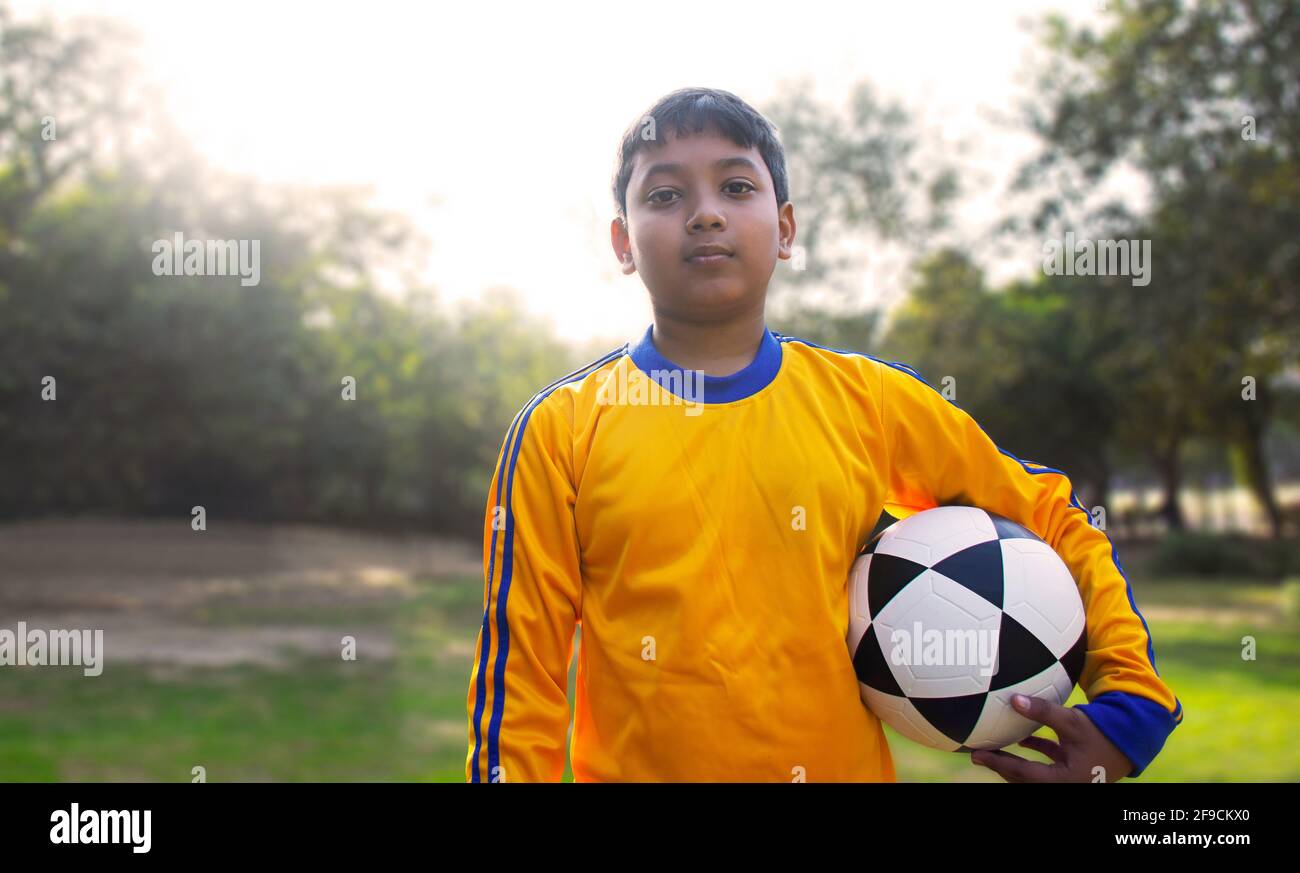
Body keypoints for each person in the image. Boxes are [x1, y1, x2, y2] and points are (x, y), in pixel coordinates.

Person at [465, 86, 1182, 782]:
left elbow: (1052, 512)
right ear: (623, 242)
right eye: (665, 194)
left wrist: (1132, 706)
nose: (705, 214)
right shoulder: (562, 428)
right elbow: (519, 677)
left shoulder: (868, 402)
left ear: (785, 229)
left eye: (736, 188)